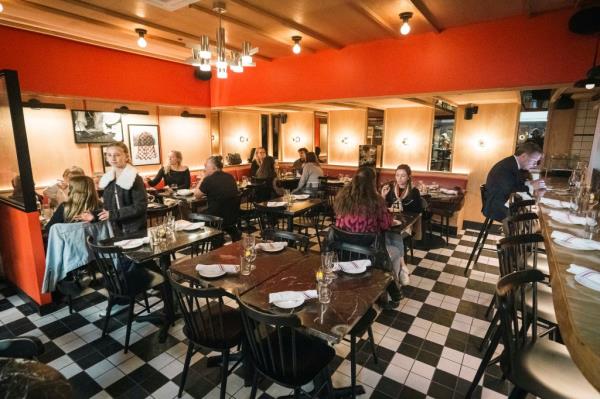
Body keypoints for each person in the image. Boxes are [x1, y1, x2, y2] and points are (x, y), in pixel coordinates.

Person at [333, 166, 407, 307]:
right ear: (373, 182)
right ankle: (389, 297)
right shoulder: (376, 201)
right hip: (369, 253)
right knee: (396, 252)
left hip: (343, 251)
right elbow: (385, 225)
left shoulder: (342, 197)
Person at [93, 142, 147, 235]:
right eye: (109, 155)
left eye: (117, 155)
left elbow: (140, 206)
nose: (113, 158)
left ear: (126, 156)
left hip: (133, 228)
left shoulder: (134, 178)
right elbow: (108, 208)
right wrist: (93, 215)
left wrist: (113, 214)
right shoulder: (108, 179)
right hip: (114, 227)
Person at [483, 141, 544, 223]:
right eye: (534, 161)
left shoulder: (512, 163)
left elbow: (515, 184)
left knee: (533, 210)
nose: (535, 164)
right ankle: (518, 235)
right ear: (524, 156)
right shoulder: (505, 167)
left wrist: (531, 184)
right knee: (531, 217)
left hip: (503, 199)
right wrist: (532, 187)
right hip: (496, 205)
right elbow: (511, 190)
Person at [194, 156, 241, 241]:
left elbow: (197, 195)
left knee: (194, 217)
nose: (205, 169)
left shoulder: (208, 179)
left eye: (206, 166)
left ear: (214, 167)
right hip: (232, 215)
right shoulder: (230, 176)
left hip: (215, 218)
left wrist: (202, 178)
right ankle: (227, 234)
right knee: (219, 211)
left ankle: (208, 240)